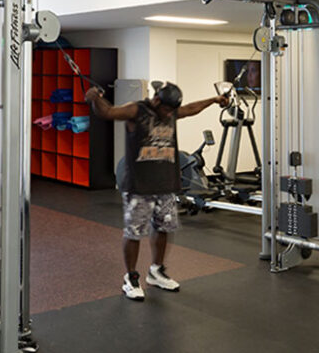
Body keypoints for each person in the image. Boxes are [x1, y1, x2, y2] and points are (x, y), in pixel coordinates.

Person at [85, 81, 229, 301]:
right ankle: (131, 277)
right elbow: (108, 112)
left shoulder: (171, 112)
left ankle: (156, 271)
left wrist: (214, 99)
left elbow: (191, 109)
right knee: (134, 233)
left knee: (164, 228)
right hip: (139, 186)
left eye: (173, 110)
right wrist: (95, 97)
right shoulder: (137, 110)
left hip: (165, 184)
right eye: (167, 109)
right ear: (157, 100)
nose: (170, 114)